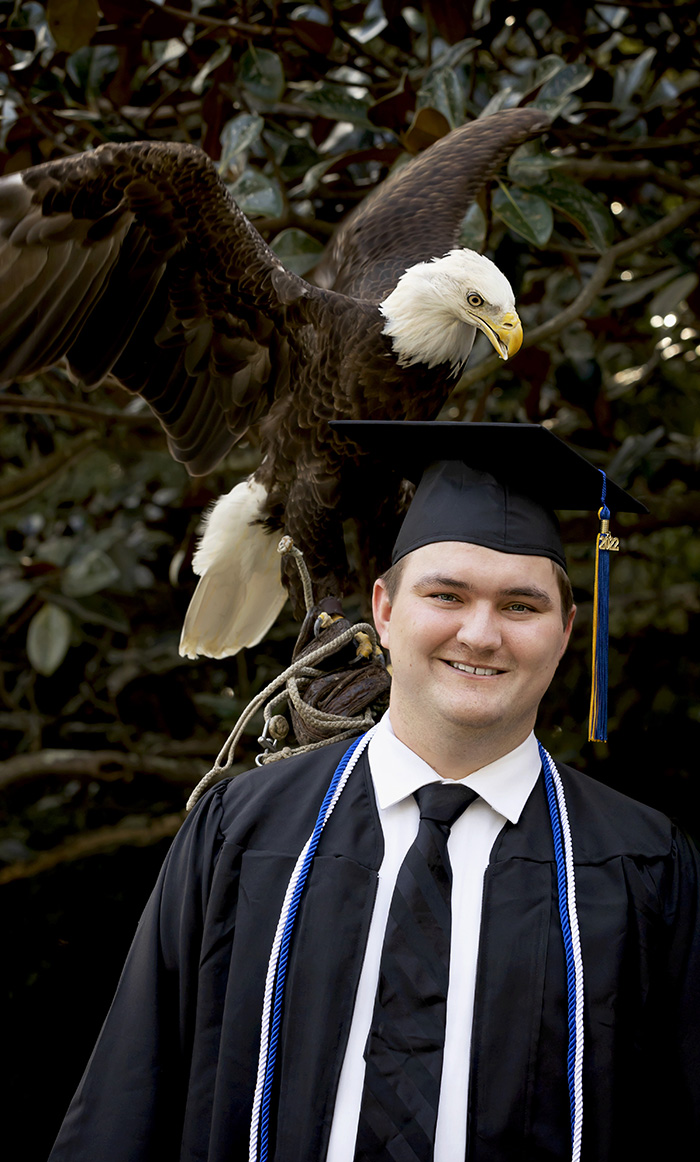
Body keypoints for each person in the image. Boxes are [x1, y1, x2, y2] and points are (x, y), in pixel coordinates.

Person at [48, 423, 700, 1162]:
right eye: (446, 594)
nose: (481, 634)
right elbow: (129, 1101)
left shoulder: (642, 868)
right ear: (384, 610)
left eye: (521, 606)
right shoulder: (244, 833)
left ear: (566, 630)